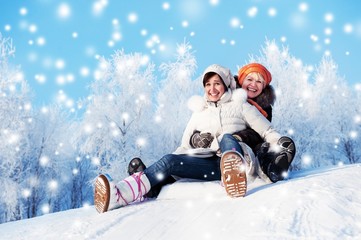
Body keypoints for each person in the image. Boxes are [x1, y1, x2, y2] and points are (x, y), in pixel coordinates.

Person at [94, 64, 288, 213]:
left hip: (240, 158)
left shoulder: (241, 105)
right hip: (211, 165)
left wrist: (281, 147)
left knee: (227, 138)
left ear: (226, 85)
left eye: (217, 83)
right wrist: (171, 167)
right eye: (208, 84)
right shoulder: (199, 113)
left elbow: (267, 130)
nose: (212, 89)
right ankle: (120, 195)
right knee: (169, 160)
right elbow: (184, 145)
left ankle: (233, 171)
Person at [191, 63, 296, 183]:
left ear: (263, 86)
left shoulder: (264, 107)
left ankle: (273, 168)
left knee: (262, 149)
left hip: (250, 141)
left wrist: (275, 140)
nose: (253, 84)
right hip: (225, 143)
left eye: (259, 82)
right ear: (241, 80)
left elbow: (262, 130)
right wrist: (196, 137)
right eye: (249, 79)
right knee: (232, 140)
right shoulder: (227, 96)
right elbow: (209, 117)